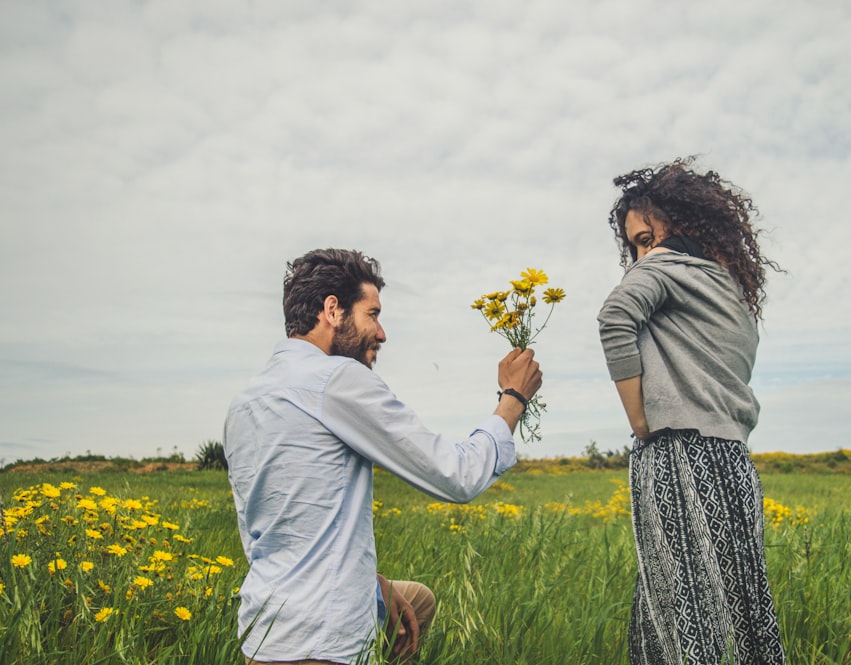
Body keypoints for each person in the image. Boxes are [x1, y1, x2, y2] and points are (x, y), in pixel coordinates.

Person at [224, 248, 542, 665]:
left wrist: (371, 583)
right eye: (372, 314)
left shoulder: (247, 401)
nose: (381, 332)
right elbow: (457, 474)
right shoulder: (336, 378)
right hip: (321, 640)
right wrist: (512, 400)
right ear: (332, 310)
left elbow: (268, 531)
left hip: (263, 632)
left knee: (417, 603)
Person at [597, 158, 786, 664]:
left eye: (645, 237)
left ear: (677, 225)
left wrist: (640, 424)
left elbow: (615, 317)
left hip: (679, 454)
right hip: (732, 461)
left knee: (683, 626)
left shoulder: (663, 266)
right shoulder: (731, 291)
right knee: (743, 617)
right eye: (634, 244)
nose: (640, 254)